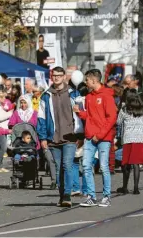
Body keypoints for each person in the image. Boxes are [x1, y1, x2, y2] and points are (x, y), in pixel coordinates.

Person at [38, 66, 82, 207]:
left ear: (64, 77)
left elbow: (80, 115)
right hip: (53, 137)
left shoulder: (73, 94)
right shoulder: (46, 96)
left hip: (69, 136)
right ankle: (62, 194)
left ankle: (67, 196)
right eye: (54, 75)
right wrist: (43, 137)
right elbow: (41, 118)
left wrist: (80, 134)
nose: (56, 77)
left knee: (67, 165)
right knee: (58, 168)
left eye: (59, 75)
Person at [74, 69, 117, 208]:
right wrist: (80, 113)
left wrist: (100, 135)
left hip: (102, 138)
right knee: (86, 165)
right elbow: (90, 116)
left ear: (93, 80)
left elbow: (111, 118)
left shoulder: (106, 96)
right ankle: (91, 196)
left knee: (104, 166)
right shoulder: (89, 96)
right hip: (89, 136)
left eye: (87, 80)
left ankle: (106, 196)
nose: (85, 82)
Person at [116, 89, 143, 195]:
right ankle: (136, 188)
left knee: (126, 164)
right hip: (141, 139)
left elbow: (118, 122)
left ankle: (125, 187)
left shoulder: (124, 109)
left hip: (128, 138)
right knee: (136, 164)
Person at [0, 90, 13, 173]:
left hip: (3, 129)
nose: (4, 98)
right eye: (2, 97)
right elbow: (0, 118)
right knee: (3, 148)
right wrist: (10, 113)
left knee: (1, 148)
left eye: (4, 96)